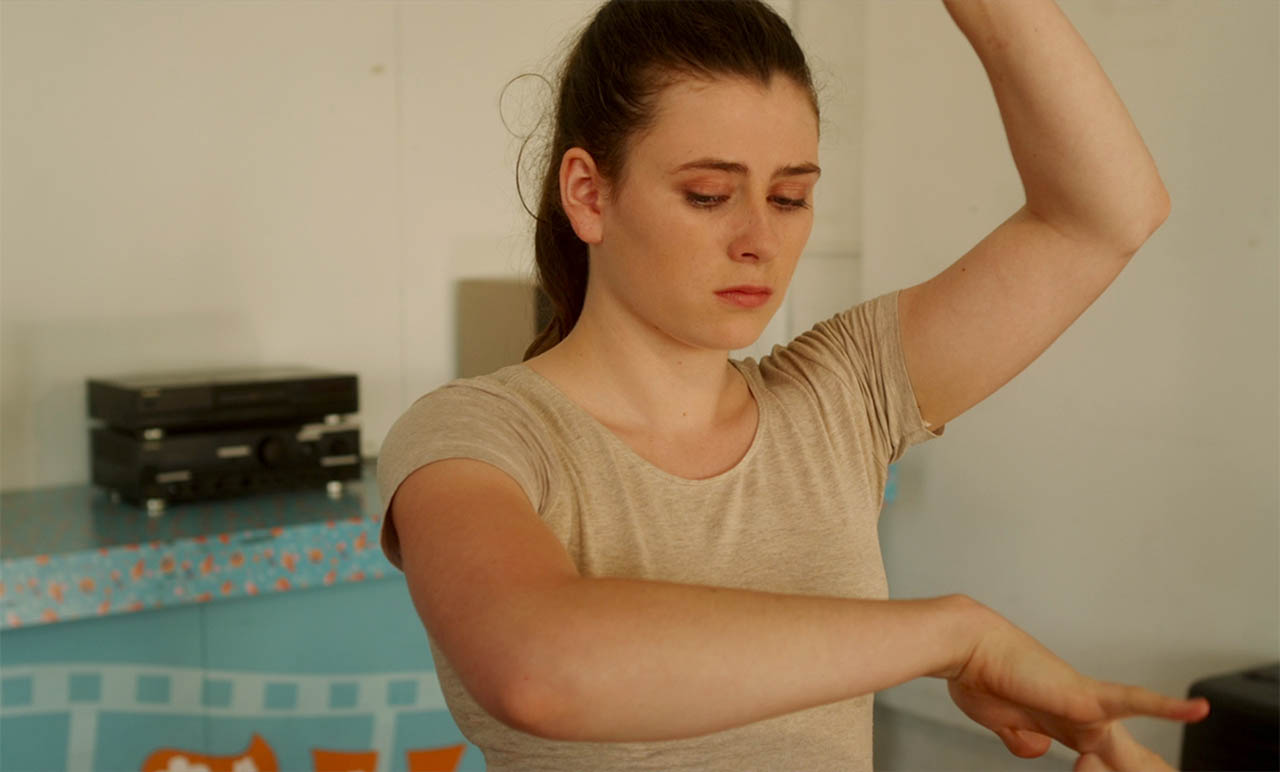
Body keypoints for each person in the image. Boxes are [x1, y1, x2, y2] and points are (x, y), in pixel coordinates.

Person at [376, 1, 1209, 770]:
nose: (759, 240)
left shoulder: (839, 396)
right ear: (589, 195)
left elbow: (1107, 213)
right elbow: (540, 670)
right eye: (709, 195)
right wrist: (956, 636)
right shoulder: (475, 436)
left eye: (789, 197)